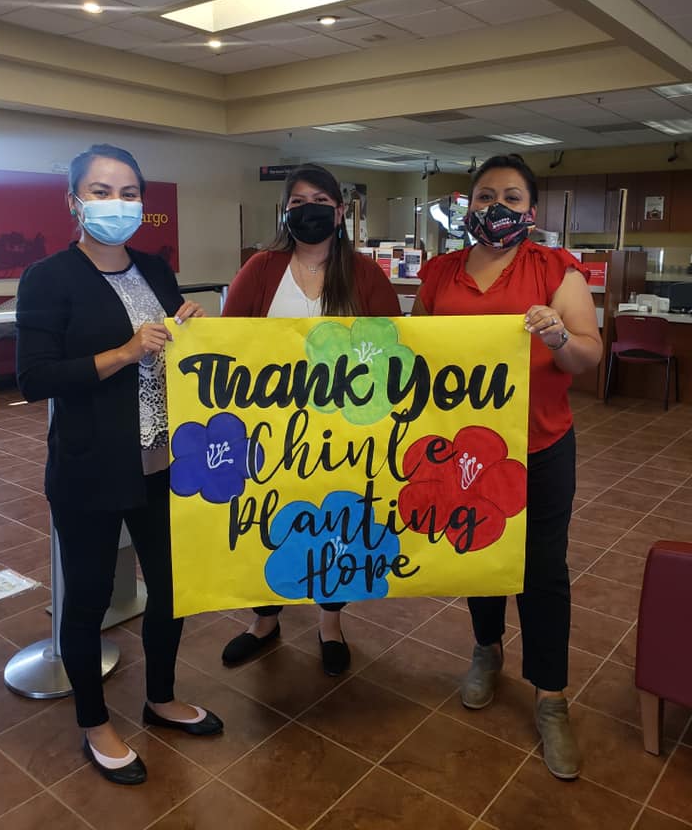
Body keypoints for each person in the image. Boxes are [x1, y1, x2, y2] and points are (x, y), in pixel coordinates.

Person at [16, 144, 224, 786]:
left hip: (164, 462)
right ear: (73, 202)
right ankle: (94, 721)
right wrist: (125, 352)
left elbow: (170, 350)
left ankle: (161, 697)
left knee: (172, 587)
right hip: (90, 469)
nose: (117, 203)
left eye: (129, 192)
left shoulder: (154, 270)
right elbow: (35, 378)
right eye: (101, 191)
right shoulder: (49, 277)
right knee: (88, 598)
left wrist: (189, 329)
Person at [413, 154, 602, 781]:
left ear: (531, 210)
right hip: (464, 449)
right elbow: (414, 350)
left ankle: (551, 697)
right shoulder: (440, 272)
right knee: (479, 550)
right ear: (467, 205)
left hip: (540, 445)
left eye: (512, 197)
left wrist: (556, 337)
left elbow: (587, 356)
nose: (497, 207)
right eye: (485, 196)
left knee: (542, 570)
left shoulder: (554, 268)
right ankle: (486, 649)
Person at [220, 163, 400, 676]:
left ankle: (330, 621)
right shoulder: (261, 268)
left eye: (320, 202)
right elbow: (228, 340)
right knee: (265, 518)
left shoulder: (364, 274)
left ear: (340, 212)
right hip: (269, 428)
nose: (309, 211)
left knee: (335, 521)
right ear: (285, 212)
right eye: (298, 203)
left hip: (343, 431)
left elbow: (395, 344)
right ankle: (264, 619)